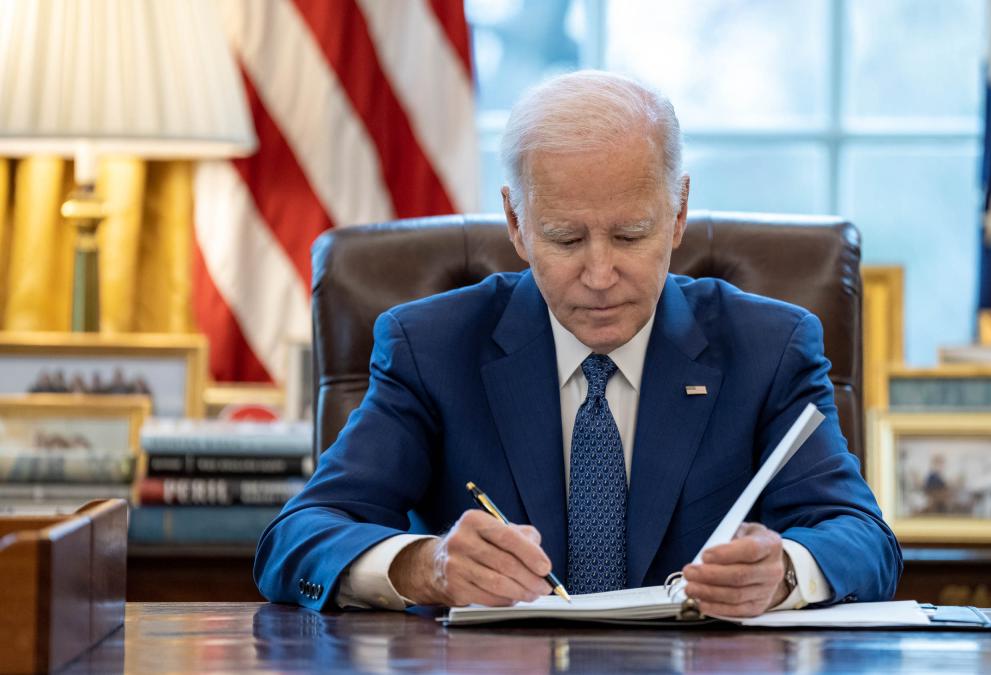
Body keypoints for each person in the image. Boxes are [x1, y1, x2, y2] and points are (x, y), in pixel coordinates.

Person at [254, 71, 901, 617]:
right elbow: (298, 537)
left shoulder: (769, 347)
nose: (598, 275)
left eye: (629, 235)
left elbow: (863, 539)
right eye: (565, 238)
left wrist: (784, 571)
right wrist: (427, 564)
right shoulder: (433, 347)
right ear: (516, 222)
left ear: (678, 213)